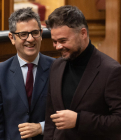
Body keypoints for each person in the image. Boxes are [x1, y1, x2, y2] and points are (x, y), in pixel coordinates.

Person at [43, 5, 121, 140]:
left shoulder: (111, 70)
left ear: (83, 33)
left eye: (63, 41)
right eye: (54, 41)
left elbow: (119, 121)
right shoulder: (56, 66)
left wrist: (79, 120)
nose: (57, 47)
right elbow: (51, 118)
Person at [0, 7, 55, 140]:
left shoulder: (56, 68)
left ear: (41, 34)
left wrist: (41, 127)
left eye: (35, 33)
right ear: (12, 38)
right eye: (23, 34)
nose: (30, 39)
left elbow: (67, 116)